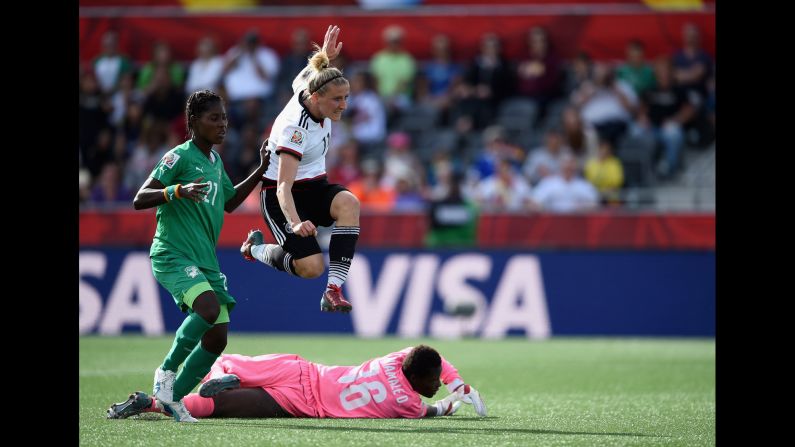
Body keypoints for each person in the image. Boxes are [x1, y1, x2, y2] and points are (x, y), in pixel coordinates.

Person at [132, 89, 269, 422]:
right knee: (207, 308)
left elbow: (228, 202)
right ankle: (165, 374)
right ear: (193, 122)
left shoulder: (215, 161)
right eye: (214, 118)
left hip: (203, 260)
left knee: (218, 336)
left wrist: (262, 168)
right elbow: (140, 197)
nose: (223, 124)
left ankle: (173, 399)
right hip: (173, 254)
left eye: (224, 117)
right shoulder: (178, 157)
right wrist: (177, 190)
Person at [240, 25, 362, 314]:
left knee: (349, 203)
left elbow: (311, 73)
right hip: (283, 195)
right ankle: (254, 249)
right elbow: (283, 186)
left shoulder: (312, 88)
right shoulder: (297, 129)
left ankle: (333, 291)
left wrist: (325, 55)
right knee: (310, 267)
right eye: (337, 99)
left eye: (346, 98)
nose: (343, 105)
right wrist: (295, 222)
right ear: (317, 98)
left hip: (314, 184)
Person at [107, 344, 487, 420]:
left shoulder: (394, 359)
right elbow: (431, 409)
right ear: (417, 378)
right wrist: (454, 400)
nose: (438, 382)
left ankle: (216, 377)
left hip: (304, 372)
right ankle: (157, 405)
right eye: (435, 379)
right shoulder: (406, 404)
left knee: (229, 363)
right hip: (299, 404)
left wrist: (456, 381)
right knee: (217, 409)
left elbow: (427, 353)